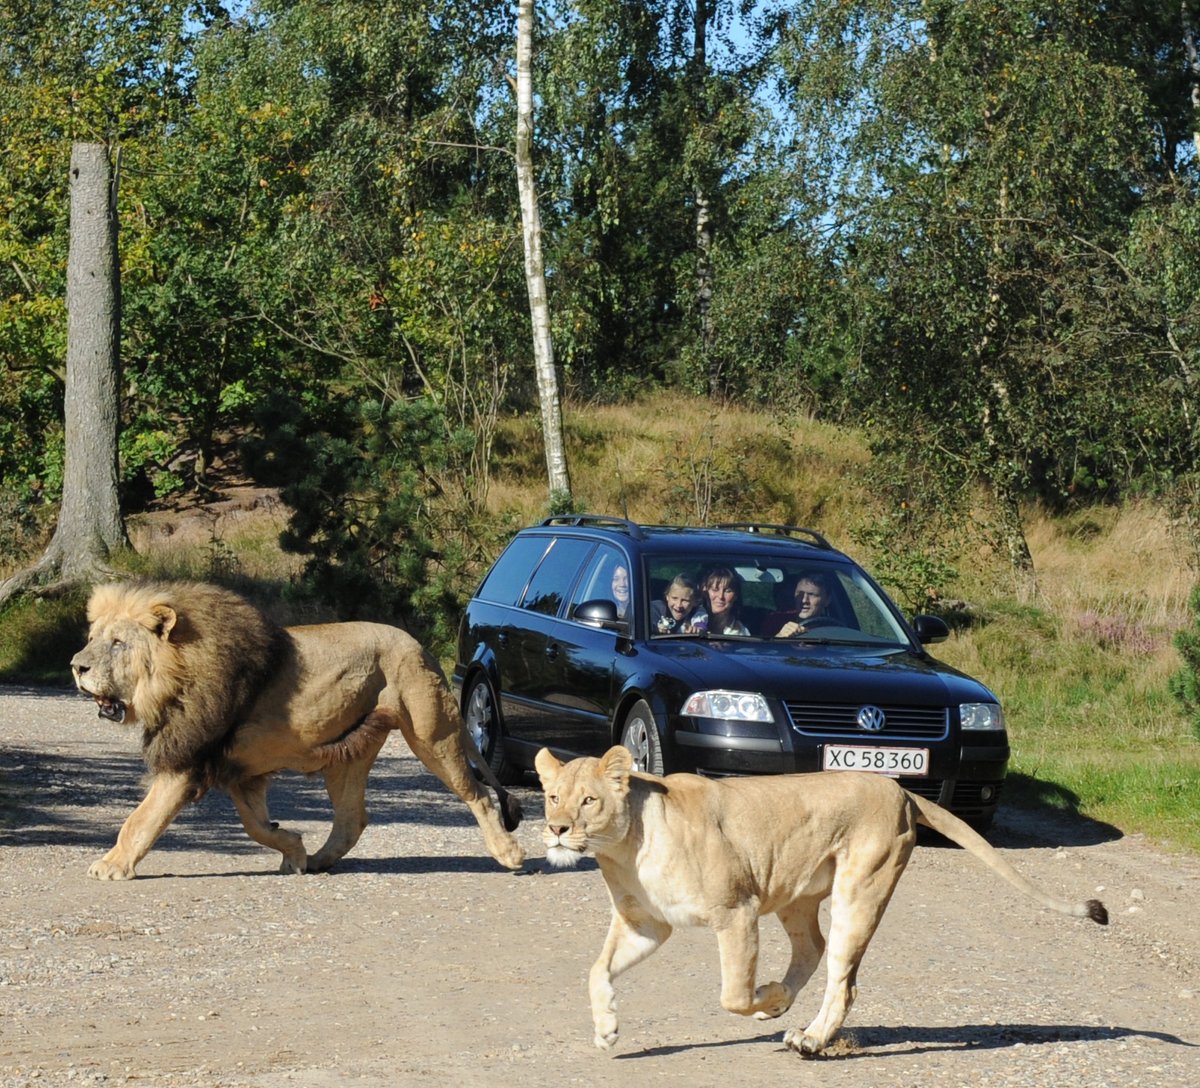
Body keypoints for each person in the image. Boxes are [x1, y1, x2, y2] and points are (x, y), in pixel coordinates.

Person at [765, 572, 833, 638]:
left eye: (811, 595)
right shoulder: (776, 620)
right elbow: (762, 648)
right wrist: (779, 638)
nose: (804, 600)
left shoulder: (834, 629)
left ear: (827, 600)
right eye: (800, 593)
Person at [689, 566, 750, 635]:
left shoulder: (742, 633)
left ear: (735, 596)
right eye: (715, 590)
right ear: (705, 592)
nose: (721, 596)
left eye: (727, 591)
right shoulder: (688, 621)